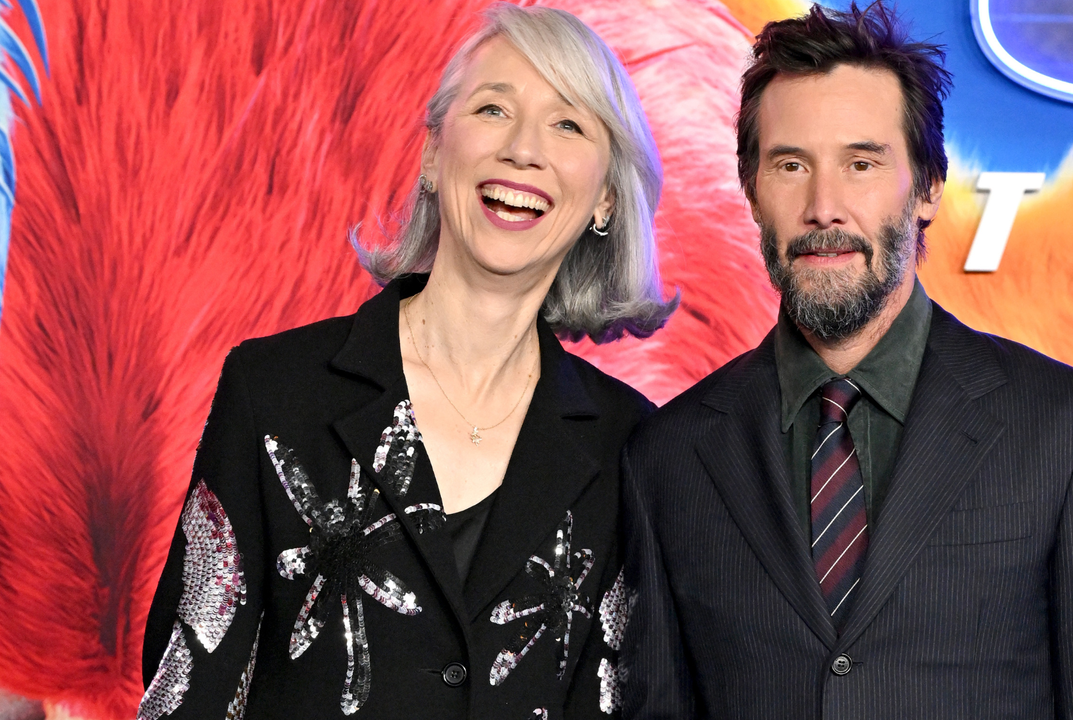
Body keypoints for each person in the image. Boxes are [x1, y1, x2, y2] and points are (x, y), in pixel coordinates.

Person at [619, 4, 1073, 719]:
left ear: (929, 189)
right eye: (791, 165)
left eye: (862, 163)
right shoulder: (669, 457)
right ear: (753, 192)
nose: (825, 206)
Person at [139, 5, 674, 719]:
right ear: (432, 153)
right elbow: (188, 685)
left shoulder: (634, 447)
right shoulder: (274, 392)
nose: (524, 149)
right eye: (493, 108)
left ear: (606, 195)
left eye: (568, 124)